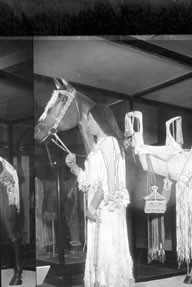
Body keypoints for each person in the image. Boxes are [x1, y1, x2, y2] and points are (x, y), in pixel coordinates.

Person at [65, 104, 134, 287]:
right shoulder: (99, 147)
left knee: (107, 254)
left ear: (100, 121)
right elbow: (88, 181)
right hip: (97, 209)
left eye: (90, 120)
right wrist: (73, 166)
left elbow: (109, 183)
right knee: (100, 254)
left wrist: (92, 207)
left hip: (106, 209)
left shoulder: (110, 143)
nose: (87, 124)